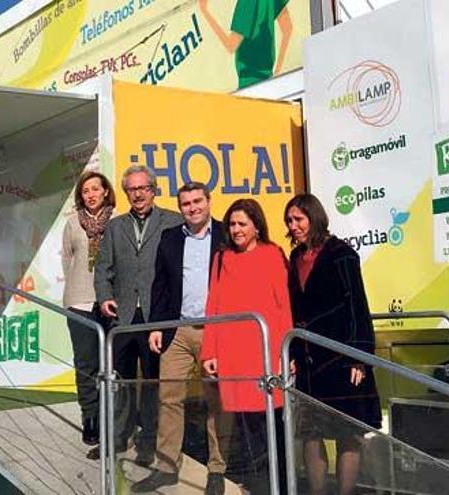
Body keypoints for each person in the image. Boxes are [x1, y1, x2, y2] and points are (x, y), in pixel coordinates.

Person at [131, 182, 229, 494]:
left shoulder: (227, 235)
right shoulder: (170, 238)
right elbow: (159, 286)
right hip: (178, 330)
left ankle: (217, 469)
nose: (193, 208)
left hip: (216, 331)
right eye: (186, 203)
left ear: (209, 201)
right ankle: (166, 467)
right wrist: (158, 326)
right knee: (168, 398)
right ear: (180, 207)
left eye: (198, 201)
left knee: (218, 401)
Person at [284, 194, 382, 495]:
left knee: (347, 434)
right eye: (289, 221)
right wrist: (294, 352)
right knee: (311, 435)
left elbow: (356, 305)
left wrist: (359, 357)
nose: (293, 226)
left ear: (314, 217)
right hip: (310, 359)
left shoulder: (341, 254)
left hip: (341, 358)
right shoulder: (295, 258)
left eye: (298, 219)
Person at [202, 198, 292, 493]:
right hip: (233, 354)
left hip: (266, 353)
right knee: (246, 425)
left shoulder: (273, 254)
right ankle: (258, 484)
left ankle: (278, 484)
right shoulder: (221, 258)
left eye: (242, 223)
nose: (236, 229)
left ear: (257, 225)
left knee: (272, 423)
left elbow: (283, 307)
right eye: (232, 224)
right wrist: (209, 352)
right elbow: (213, 306)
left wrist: (285, 352)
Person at [94, 165, 183, 465]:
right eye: (132, 189)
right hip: (123, 317)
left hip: (156, 317)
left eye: (143, 188)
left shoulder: (173, 221)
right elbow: (102, 269)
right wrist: (105, 297)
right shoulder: (115, 226)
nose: (138, 194)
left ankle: (149, 442)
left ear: (154, 190)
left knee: (154, 383)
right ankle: (118, 439)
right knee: (121, 382)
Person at [61, 170, 115, 454]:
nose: (91, 194)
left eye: (96, 189)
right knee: (86, 366)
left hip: (111, 303)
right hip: (80, 302)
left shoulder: (118, 221)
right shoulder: (72, 224)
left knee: (112, 367)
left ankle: (114, 421)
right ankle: (90, 419)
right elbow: (67, 261)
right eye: (86, 191)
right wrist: (76, 292)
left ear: (106, 191)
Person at [198, 0, 294, 89]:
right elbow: (288, 28)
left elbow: (231, 46)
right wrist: (276, 73)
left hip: (249, 82)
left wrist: (205, 12)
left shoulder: (247, 3)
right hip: (267, 77)